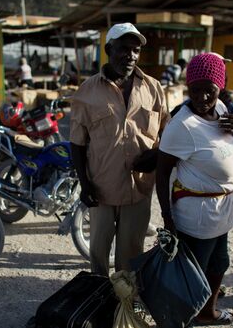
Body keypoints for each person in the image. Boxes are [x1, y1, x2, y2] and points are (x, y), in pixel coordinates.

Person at [70, 22, 170, 276]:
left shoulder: (154, 88)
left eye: (136, 50)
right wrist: (84, 184)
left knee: (132, 251)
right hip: (101, 187)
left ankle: (127, 300)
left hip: (139, 188)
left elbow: (167, 135)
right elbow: (77, 143)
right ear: (108, 49)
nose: (131, 55)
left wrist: (156, 155)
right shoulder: (86, 92)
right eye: (124, 48)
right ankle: (100, 298)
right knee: (99, 251)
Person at [156, 53, 233, 325]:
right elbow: (162, 173)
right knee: (193, 273)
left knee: (220, 264)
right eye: (195, 89)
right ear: (187, 88)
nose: (203, 96)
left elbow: (231, 145)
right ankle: (183, 319)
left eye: (210, 90)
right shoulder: (181, 125)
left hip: (223, 210)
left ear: (220, 87)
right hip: (198, 216)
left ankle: (208, 312)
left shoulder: (221, 110)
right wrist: (168, 218)